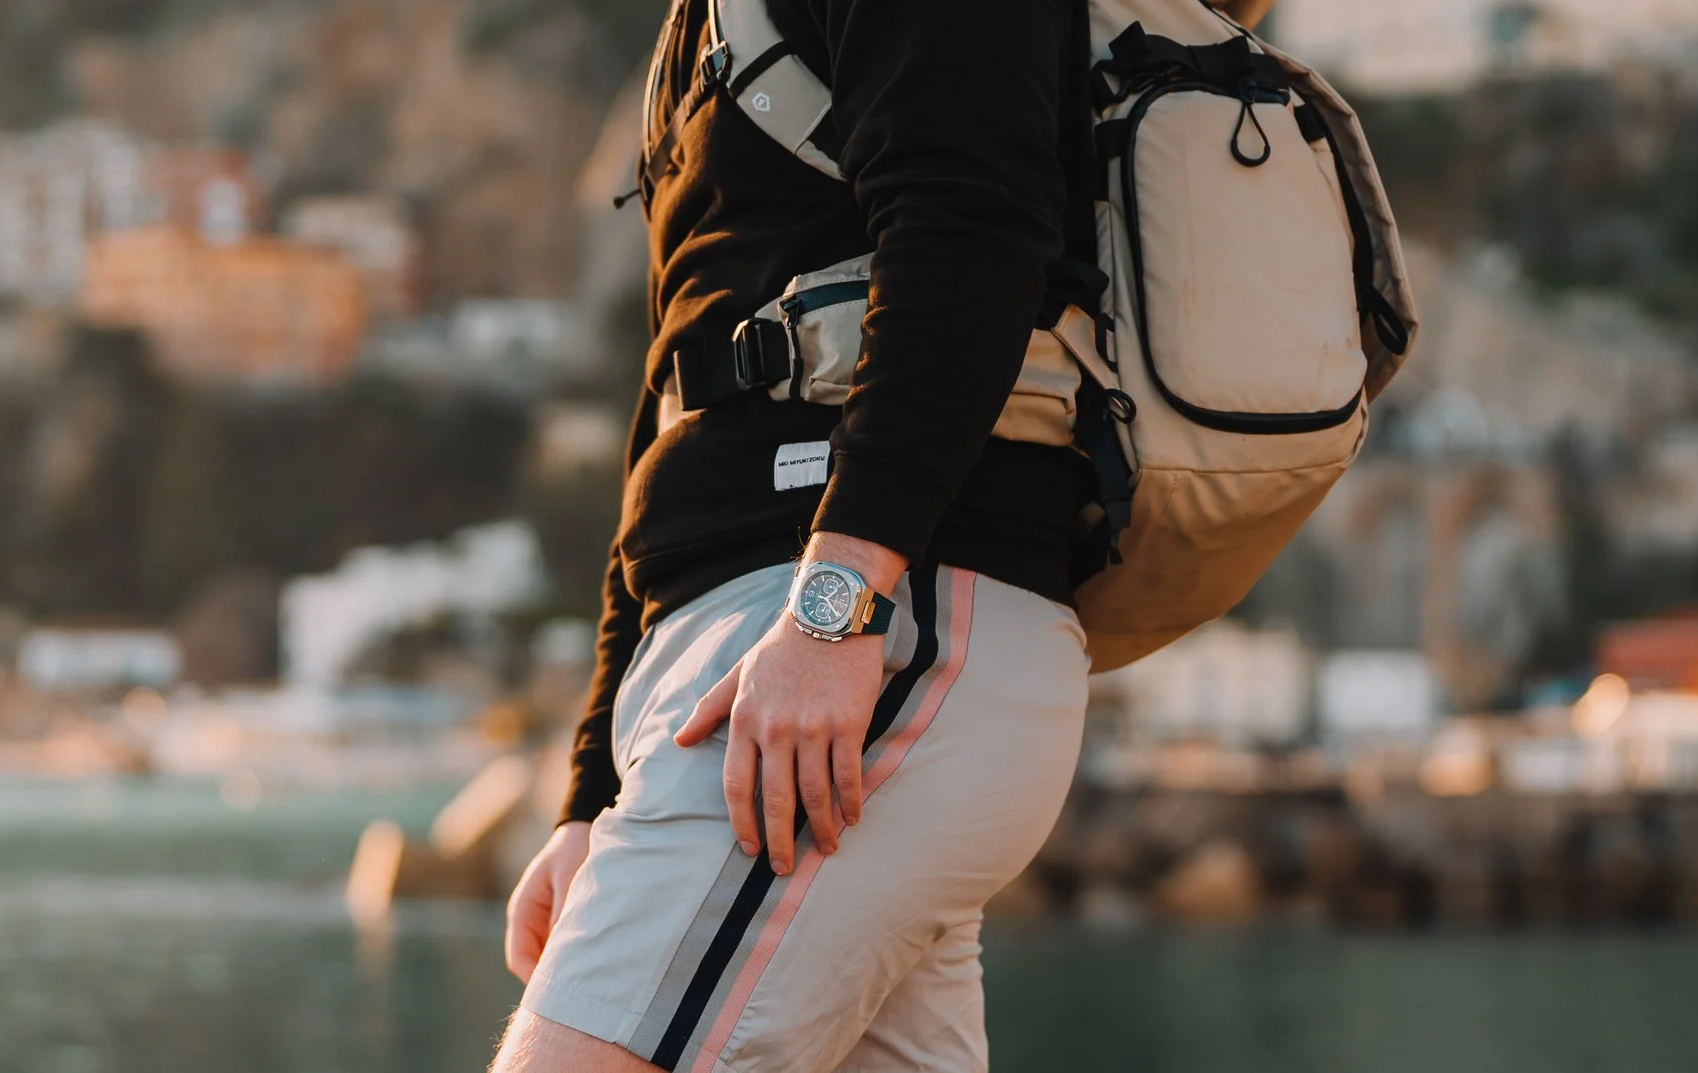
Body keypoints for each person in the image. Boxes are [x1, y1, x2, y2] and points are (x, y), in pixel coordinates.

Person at [492, 0, 1275, 1068]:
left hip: (872, 628)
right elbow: (679, 395)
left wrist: (836, 610)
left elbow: (972, 230)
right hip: (781, 653)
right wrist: (589, 791)